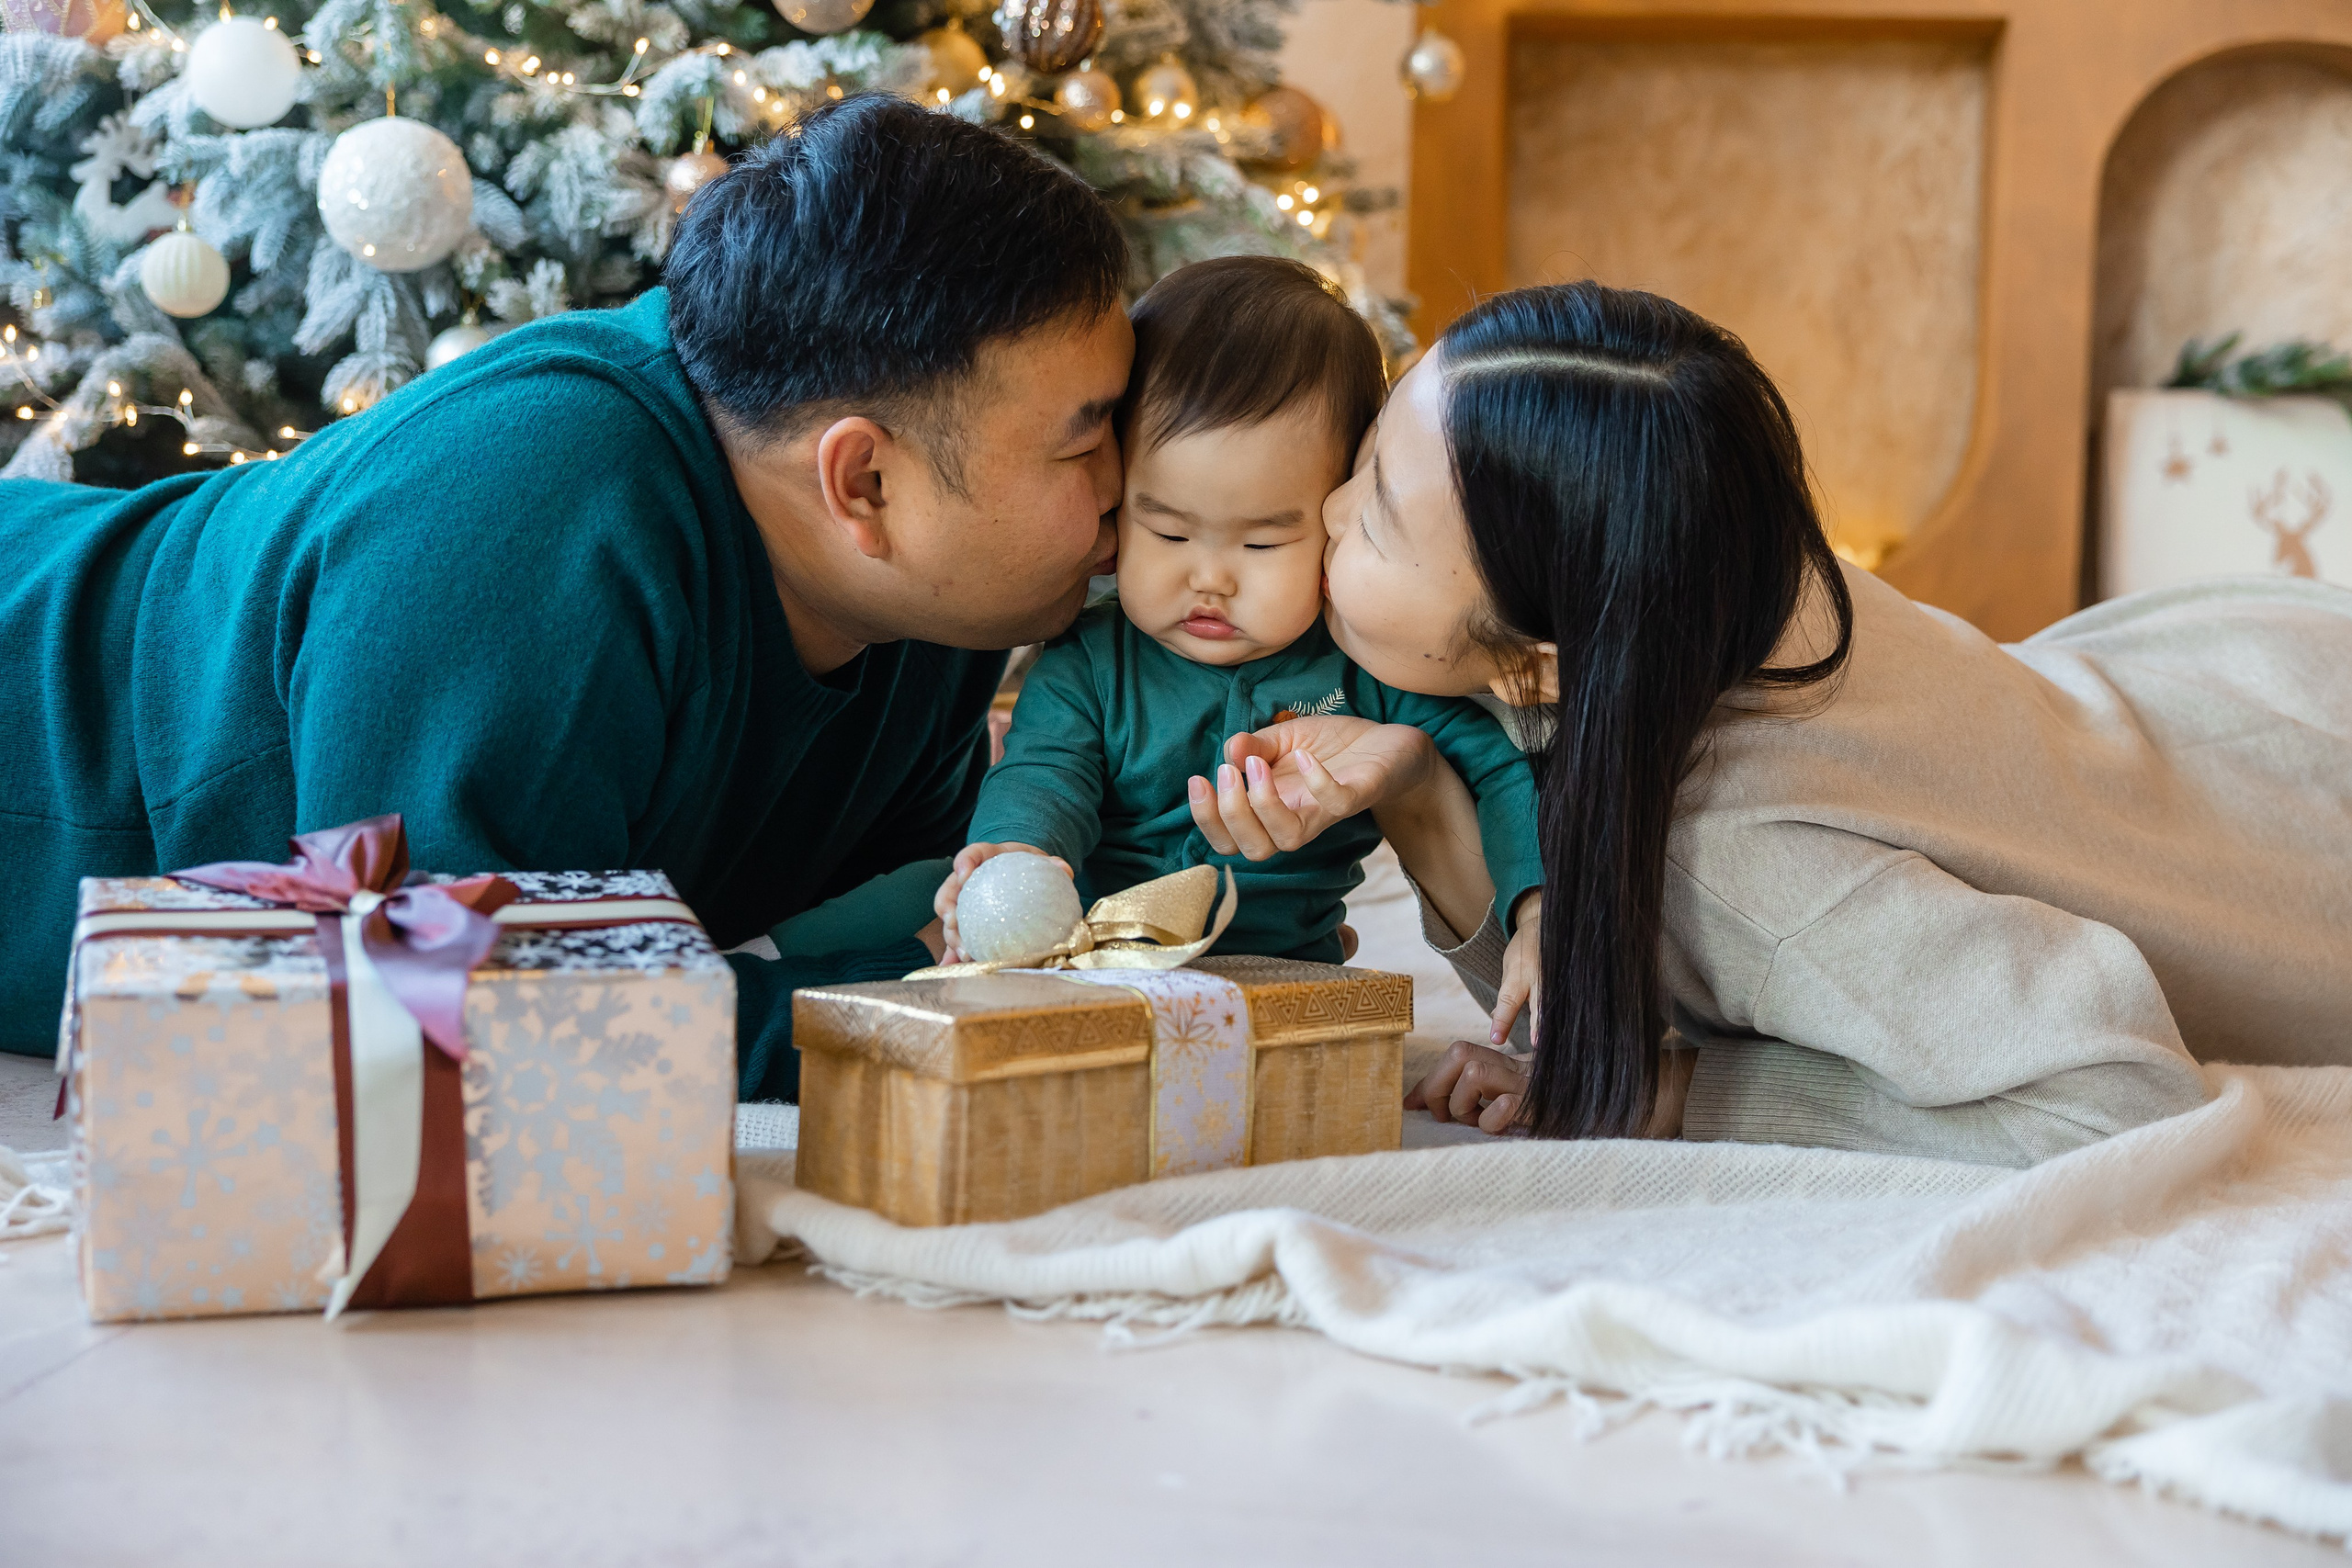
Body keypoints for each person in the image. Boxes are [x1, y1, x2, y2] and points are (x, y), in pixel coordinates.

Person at [0, 96, 1134, 1103]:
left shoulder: (939, 604)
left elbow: (902, 925)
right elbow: (460, 1007)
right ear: (865, 483)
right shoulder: (526, 507)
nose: (1131, 483)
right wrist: (967, 1014)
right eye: (1085, 443)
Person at [1188, 281, 2352, 1166]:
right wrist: (1420, 794)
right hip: (2226, 682)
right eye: (1369, 459)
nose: (1324, 509)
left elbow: (2114, 1093)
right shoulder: (1702, 554)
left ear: (1539, 666)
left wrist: (1683, 1092)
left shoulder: (1745, 864)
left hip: (2297, 826)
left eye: (1377, 520)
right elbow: (1587, 945)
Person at [933, 258, 1538, 963]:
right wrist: (1016, 853)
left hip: (1294, 974)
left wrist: (1536, 906)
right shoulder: (1090, 663)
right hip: (1102, 972)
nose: (1210, 578)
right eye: (1168, 532)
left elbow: (1501, 773)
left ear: (1337, 518)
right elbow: (1043, 773)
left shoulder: (1368, 667)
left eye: (1261, 542)